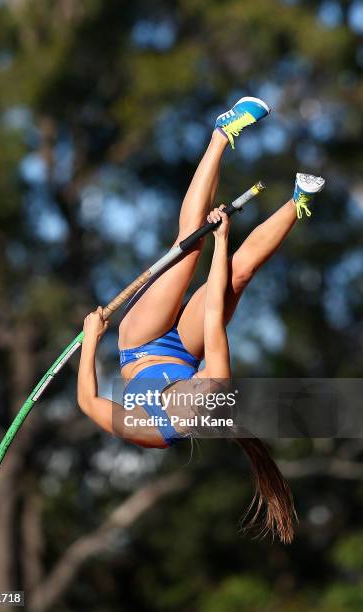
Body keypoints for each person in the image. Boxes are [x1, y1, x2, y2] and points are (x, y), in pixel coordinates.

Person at [77, 97, 325, 543]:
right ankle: (298, 200)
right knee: (239, 275)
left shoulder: (152, 431)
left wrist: (92, 337)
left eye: (196, 386)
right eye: (202, 384)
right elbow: (214, 315)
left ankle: (219, 134)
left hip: (141, 343)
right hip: (184, 344)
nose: (197, 382)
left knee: (188, 247)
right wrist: (223, 240)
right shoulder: (217, 388)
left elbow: (89, 402)